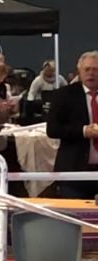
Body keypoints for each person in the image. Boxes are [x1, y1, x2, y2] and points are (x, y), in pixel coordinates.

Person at [46, 51, 98, 200]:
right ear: (79, 71)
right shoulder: (63, 95)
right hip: (73, 173)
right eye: (87, 69)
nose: (91, 73)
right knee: (74, 213)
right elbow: (52, 129)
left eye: (95, 69)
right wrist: (83, 131)